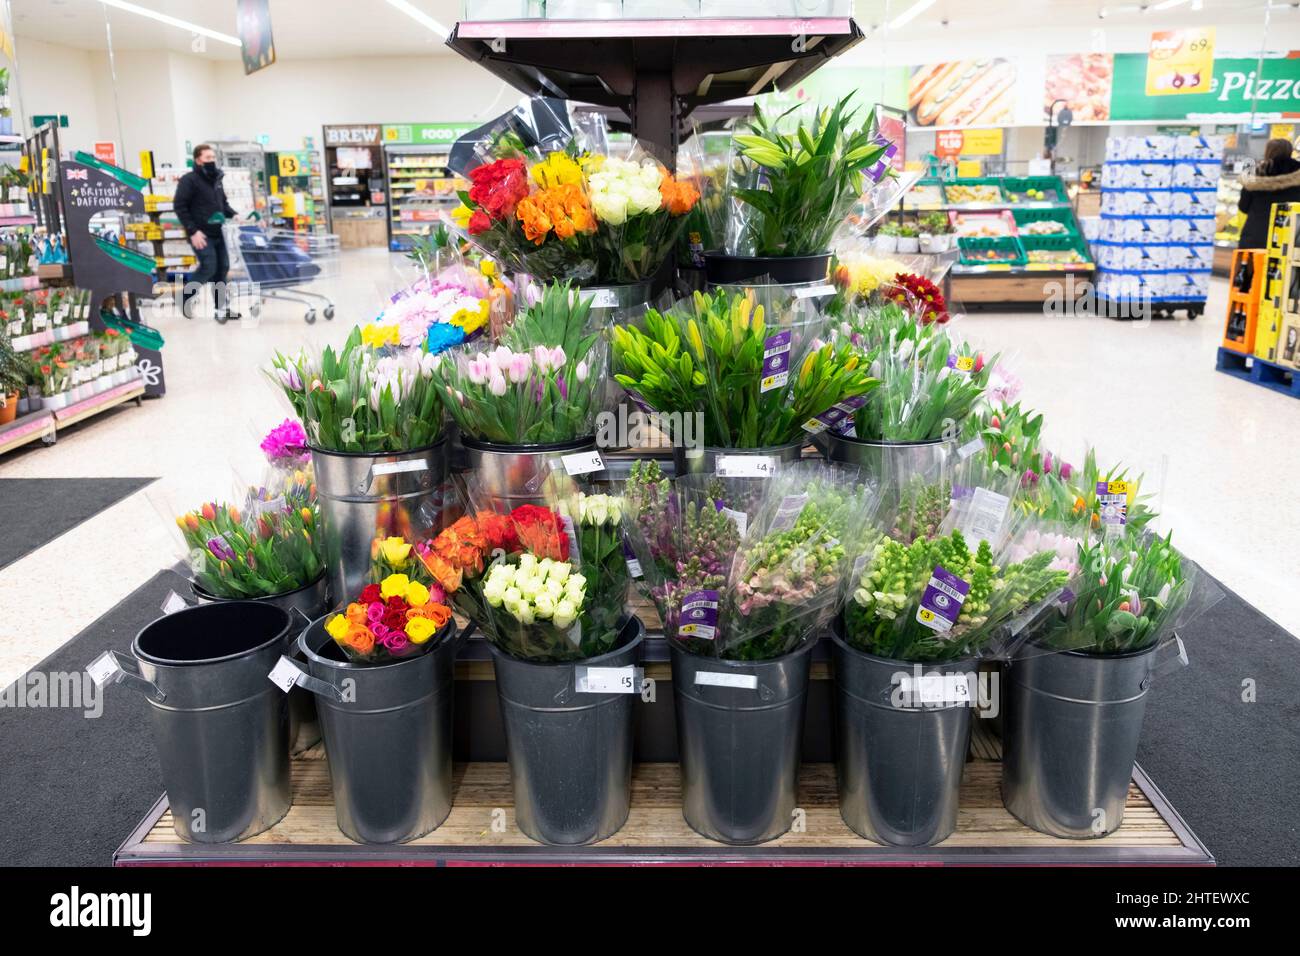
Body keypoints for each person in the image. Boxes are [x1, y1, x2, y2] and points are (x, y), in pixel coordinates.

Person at [174, 143, 241, 319]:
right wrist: (193, 231)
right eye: (208, 158)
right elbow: (180, 206)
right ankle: (184, 296)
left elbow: (223, 204)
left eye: (213, 157)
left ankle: (222, 309)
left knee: (222, 268)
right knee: (209, 267)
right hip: (200, 234)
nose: (212, 161)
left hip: (219, 232)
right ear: (198, 160)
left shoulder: (217, 179)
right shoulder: (189, 180)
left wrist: (234, 215)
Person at [1237, 138, 1300, 249]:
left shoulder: (1256, 173)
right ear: (1290, 151)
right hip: (1289, 238)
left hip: (1255, 237)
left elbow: (1243, 207)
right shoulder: (1297, 173)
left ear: (1268, 151)